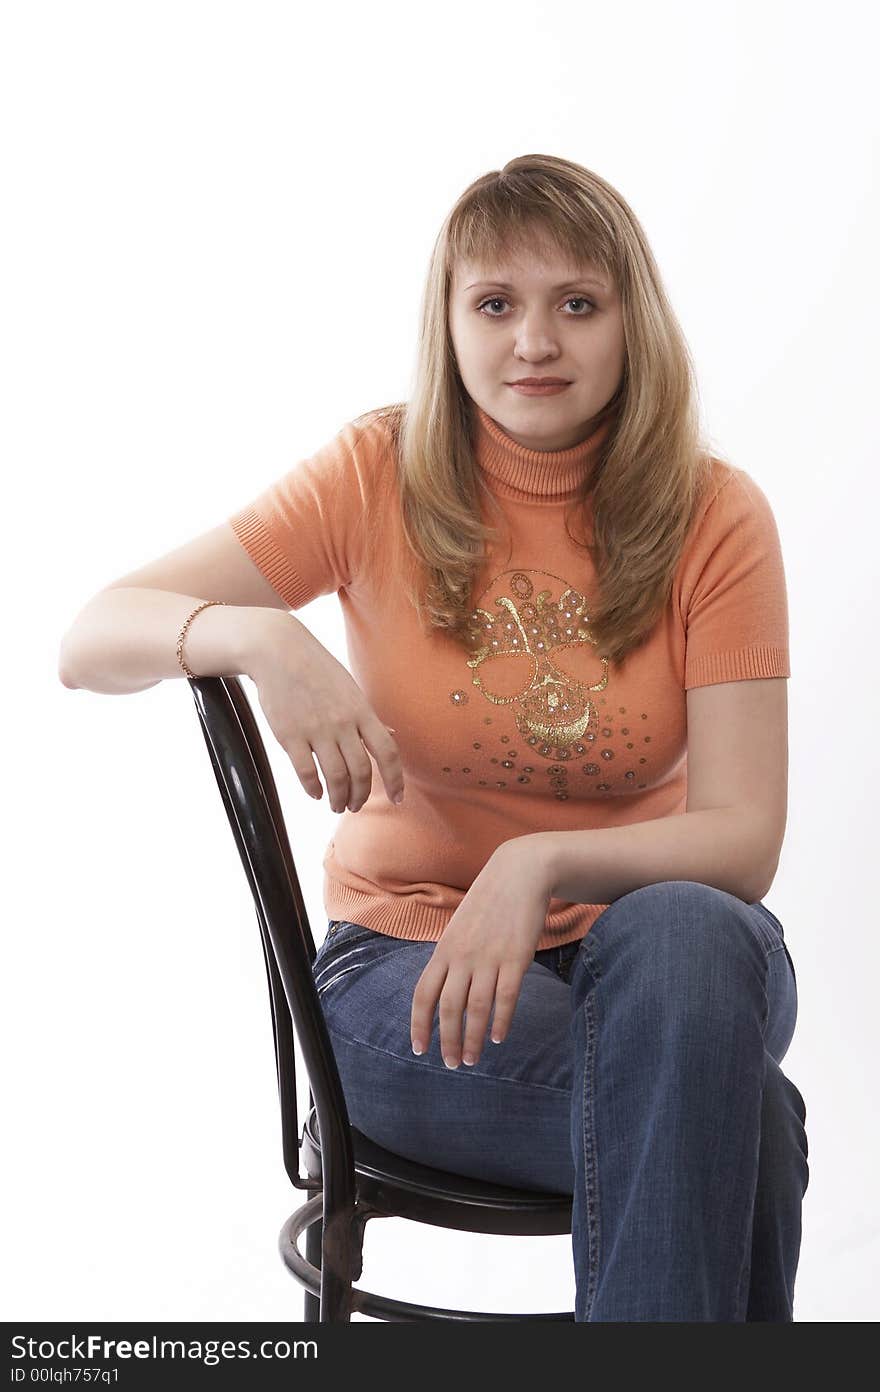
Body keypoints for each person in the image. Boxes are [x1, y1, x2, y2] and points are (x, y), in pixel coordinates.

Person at [58, 153, 809, 1322]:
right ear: (448, 322)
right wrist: (261, 637)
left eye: (577, 303)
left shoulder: (714, 515)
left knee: (687, 935)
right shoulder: (377, 476)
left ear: (631, 323)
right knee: (744, 1121)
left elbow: (744, 839)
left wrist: (539, 862)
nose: (534, 344)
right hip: (405, 979)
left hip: (668, 976)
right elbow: (91, 636)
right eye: (495, 304)